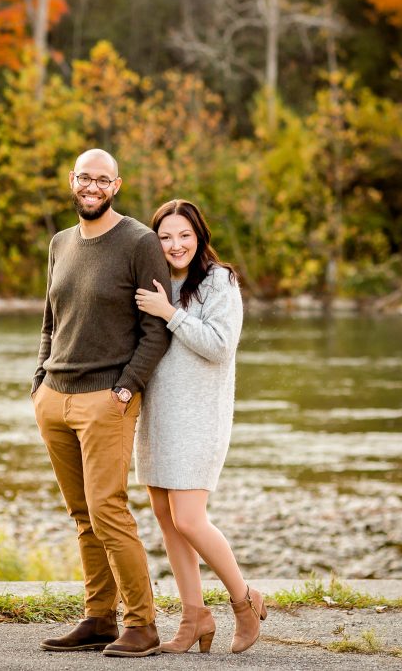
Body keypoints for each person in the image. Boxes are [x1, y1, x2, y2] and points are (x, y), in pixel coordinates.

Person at [32, 149, 172, 658]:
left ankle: (142, 624)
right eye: (84, 178)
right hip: (55, 398)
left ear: (117, 185)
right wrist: (38, 381)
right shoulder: (60, 243)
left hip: (106, 400)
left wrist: (127, 386)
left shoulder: (139, 242)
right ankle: (98, 618)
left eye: (102, 180)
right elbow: (50, 321)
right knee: (81, 514)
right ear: (72, 181)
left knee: (109, 511)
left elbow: (156, 329)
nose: (92, 186)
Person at [133, 199, 266, 654]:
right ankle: (194, 618)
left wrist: (168, 312)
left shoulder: (219, 281)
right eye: (165, 237)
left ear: (199, 236)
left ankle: (244, 600)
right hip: (156, 417)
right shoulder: (154, 280)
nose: (175, 245)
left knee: (190, 518)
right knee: (169, 523)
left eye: (184, 235)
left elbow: (219, 347)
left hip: (198, 418)